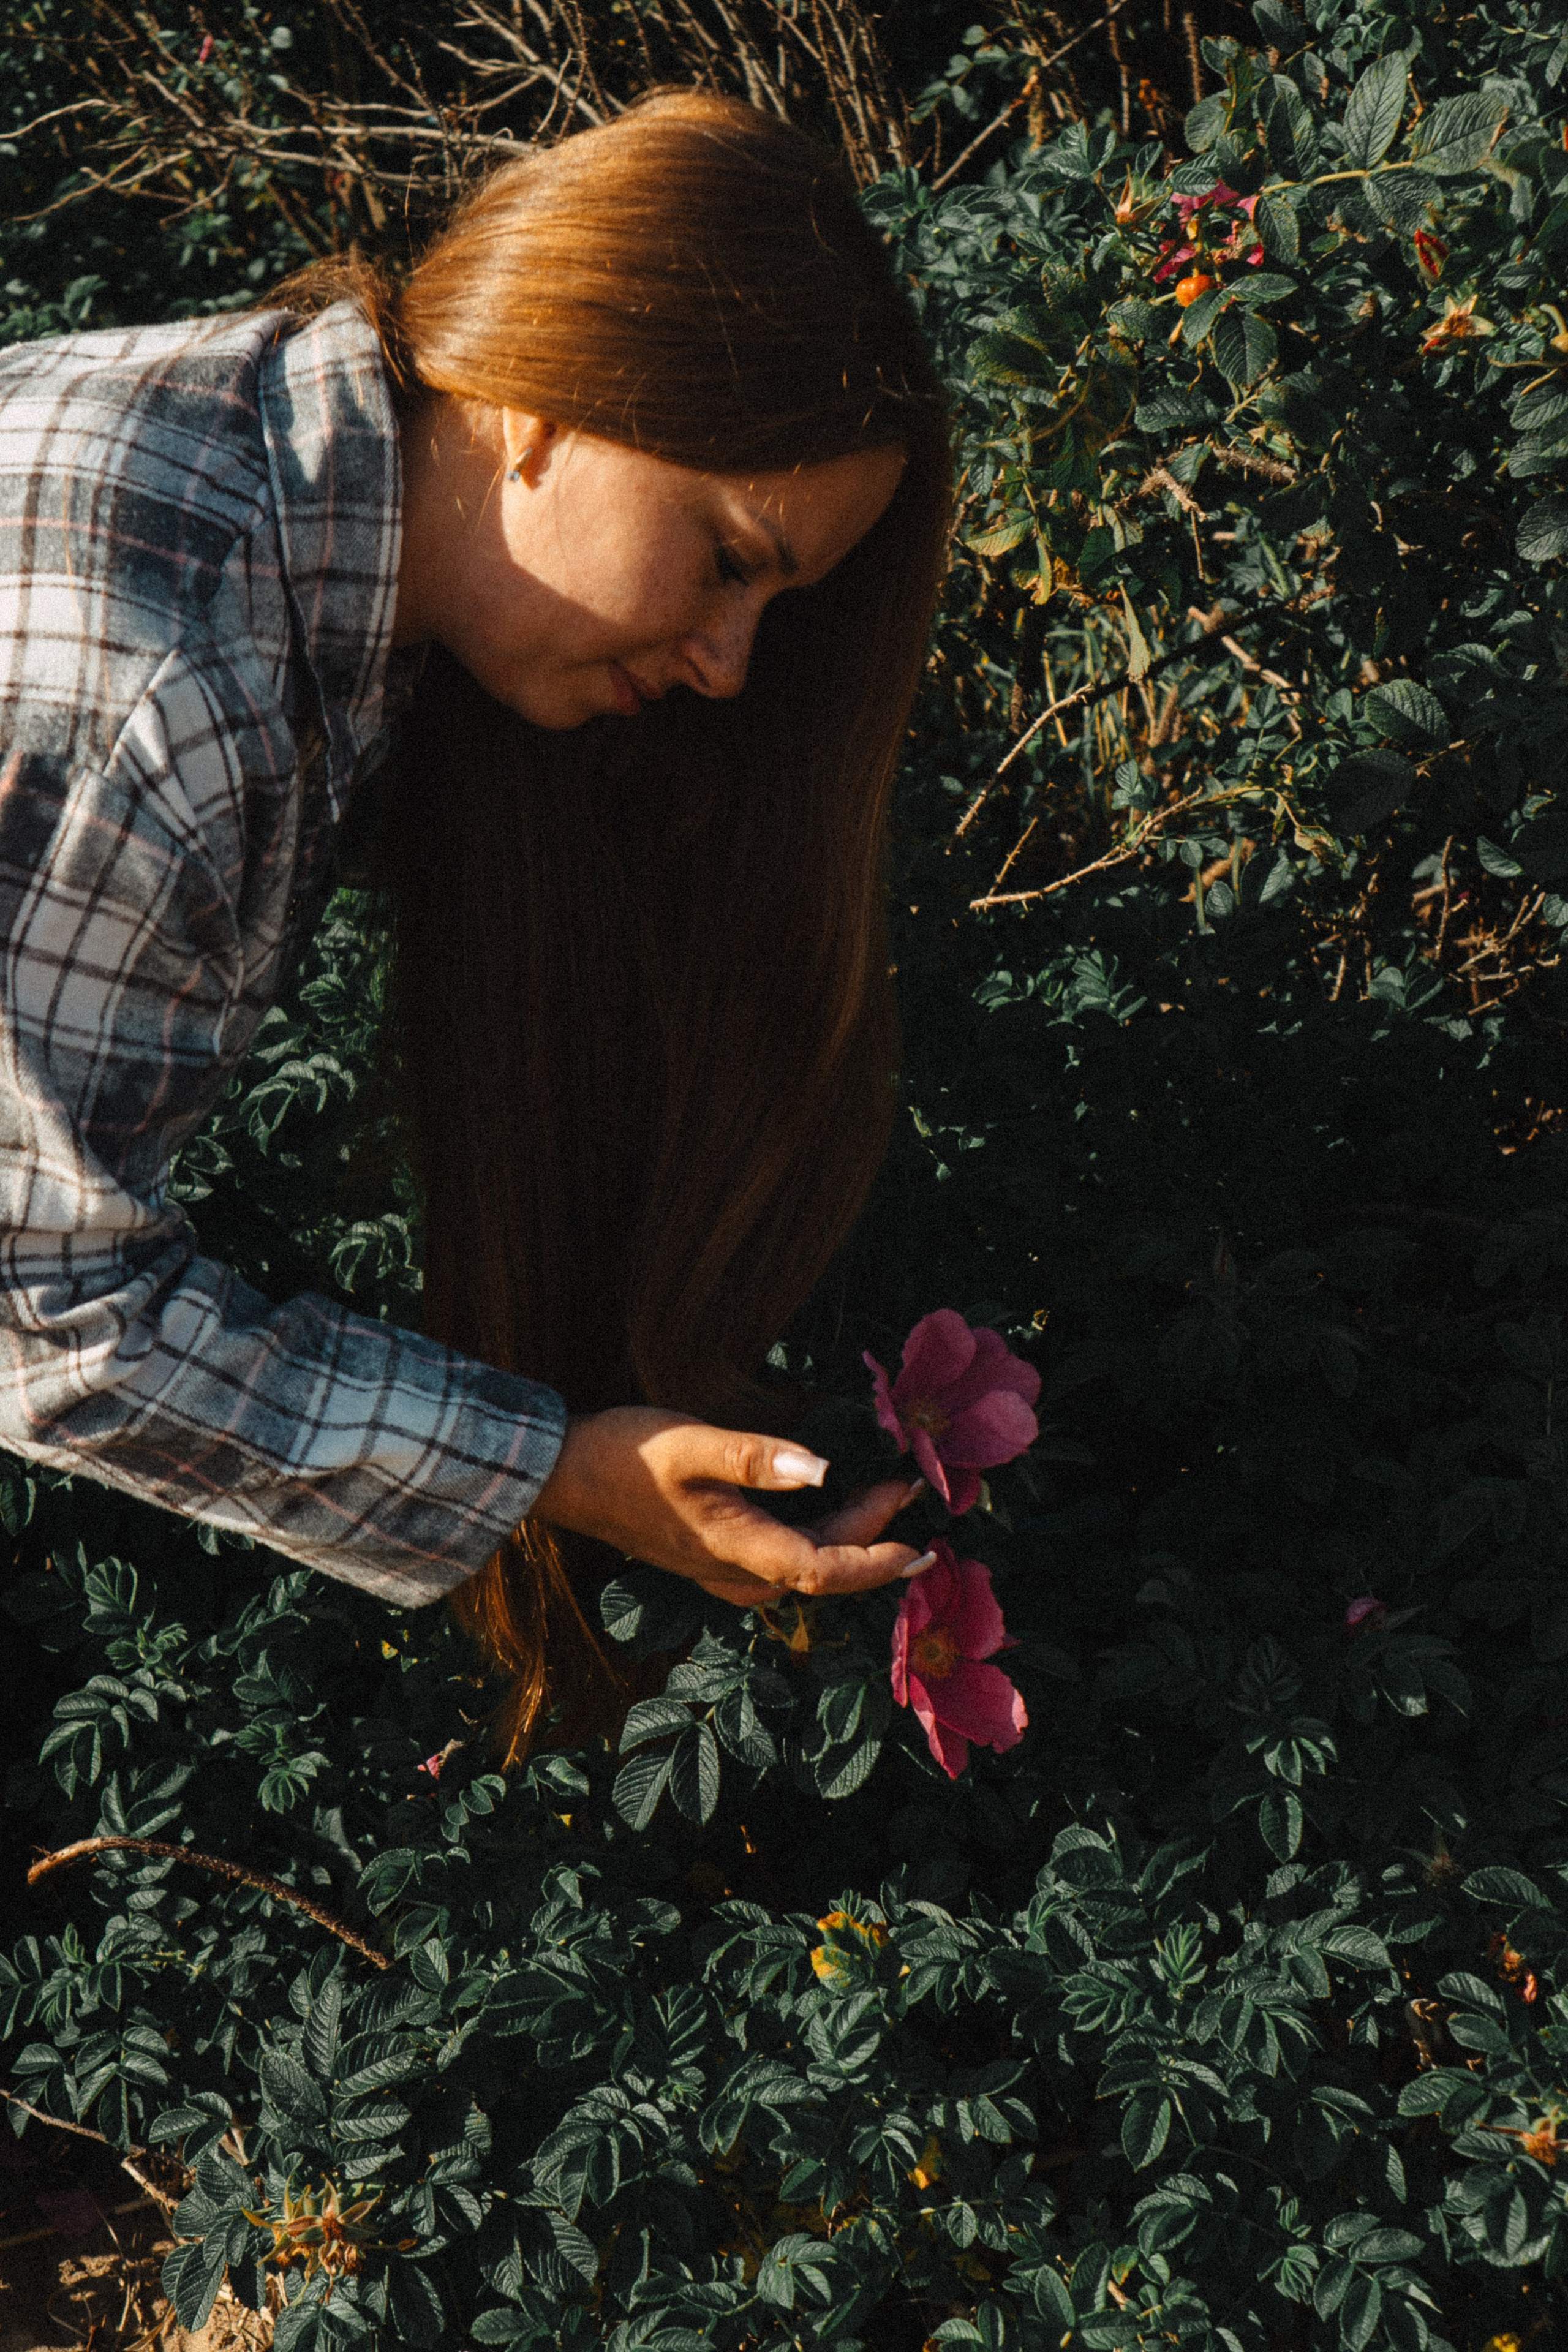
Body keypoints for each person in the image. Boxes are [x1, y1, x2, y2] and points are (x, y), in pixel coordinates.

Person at [0, 89, 953, 1752]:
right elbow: (33, 1311)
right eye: (730, 558)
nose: (732, 664)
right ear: (551, 404)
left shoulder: (271, 473)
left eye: (774, 606)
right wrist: (550, 1469)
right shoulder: (183, 665)